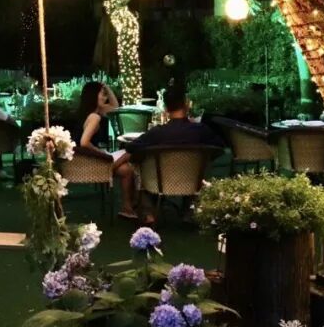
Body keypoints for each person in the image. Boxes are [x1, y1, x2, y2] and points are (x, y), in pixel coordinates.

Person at [125, 86, 225, 224]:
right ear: (187, 104)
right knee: (199, 168)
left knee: (140, 166)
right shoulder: (201, 131)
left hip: (158, 182)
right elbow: (219, 146)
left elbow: (131, 147)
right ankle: (189, 210)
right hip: (192, 180)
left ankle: (149, 212)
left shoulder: (157, 133)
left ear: (166, 109)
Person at [75, 81, 137, 220]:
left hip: (89, 158)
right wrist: (100, 152)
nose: (105, 98)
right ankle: (110, 170)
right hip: (92, 160)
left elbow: (115, 107)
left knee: (126, 170)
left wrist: (107, 88)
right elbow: (84, 142)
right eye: (102, 94)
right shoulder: (94, 117)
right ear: (93, 96)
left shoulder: (92, 112)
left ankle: (127, 208)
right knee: (131, 152)